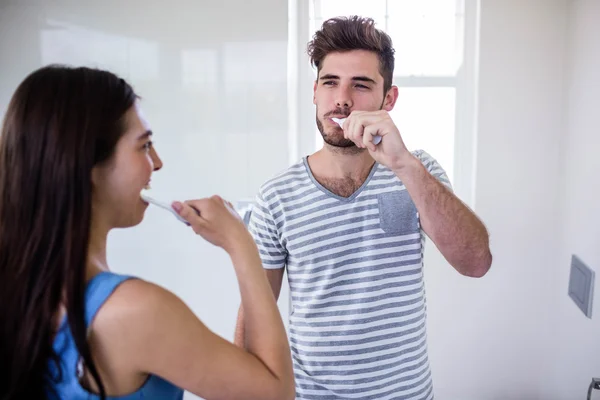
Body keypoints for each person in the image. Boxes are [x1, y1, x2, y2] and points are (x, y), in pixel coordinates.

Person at [234, 16, 492, 399]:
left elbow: (476, 262)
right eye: (330, 82)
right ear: (315, 92)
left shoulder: (418, 171)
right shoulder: (276, 197)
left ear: (388, 99)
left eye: (361, 84)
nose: (342, 99)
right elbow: (255, 314)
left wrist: (404, 165)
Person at [0, 65, 295, 400]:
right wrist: (241, 243)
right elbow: (275, 393)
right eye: (144, 145)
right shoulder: (136, 312)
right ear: (87, 166)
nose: (157, 162)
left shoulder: (16, 291)